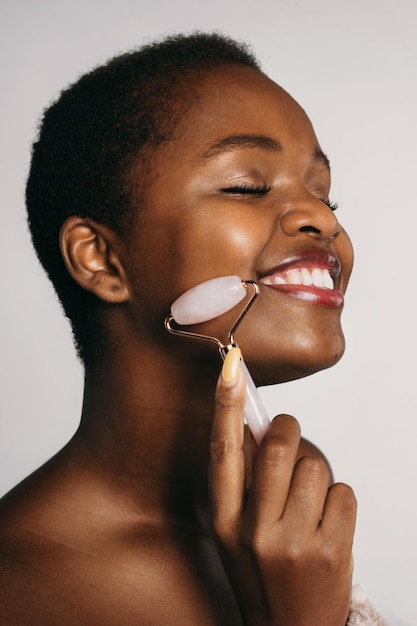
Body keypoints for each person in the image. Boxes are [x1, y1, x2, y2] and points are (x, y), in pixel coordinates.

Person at [0, 32, 386, 625]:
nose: (320, 218)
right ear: (101, 259)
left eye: (326, 196)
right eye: (247, 187)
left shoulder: (286, 513)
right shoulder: (18, 587)